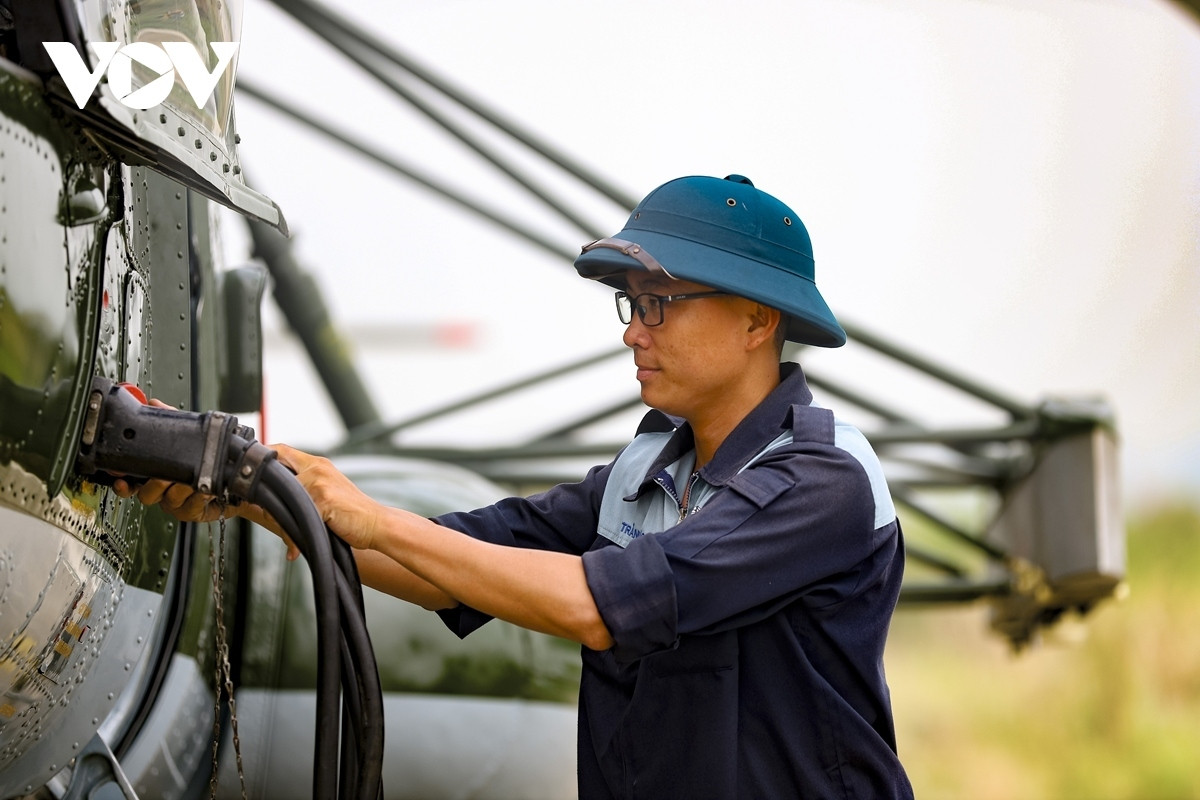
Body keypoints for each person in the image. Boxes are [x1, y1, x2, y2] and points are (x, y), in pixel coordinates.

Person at [122, 174, 913, 799]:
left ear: (756, 321)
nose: (634, 332)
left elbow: (593, 606)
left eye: (661, 306)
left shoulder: (822, 479)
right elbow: (451, 570)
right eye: (630, 307)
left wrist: (366, 516)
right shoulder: (644, 472)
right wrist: (260, 494)